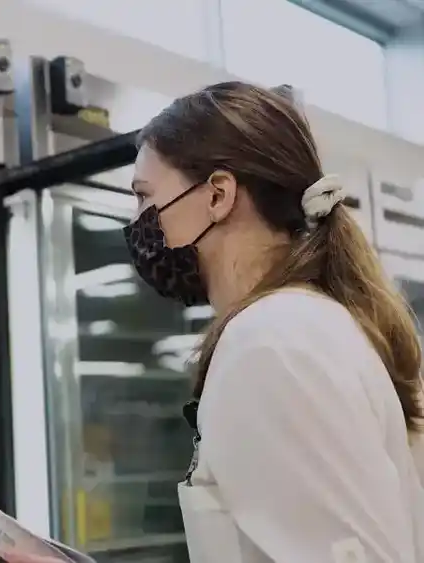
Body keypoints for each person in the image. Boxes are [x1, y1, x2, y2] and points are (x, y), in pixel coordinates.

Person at [121, 81, 424, 562]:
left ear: (218, 195)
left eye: (143, 197)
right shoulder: (300, 324)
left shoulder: (272, 342)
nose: (137, 221)